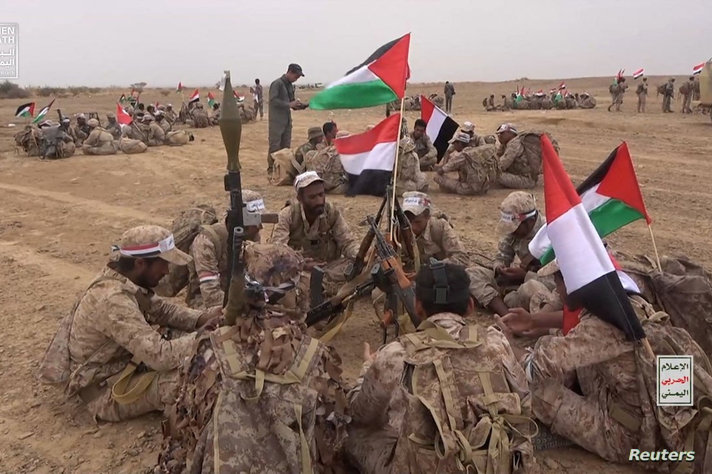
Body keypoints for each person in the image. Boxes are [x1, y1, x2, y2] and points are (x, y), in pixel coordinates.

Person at [500, 260, 711, 471]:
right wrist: (534, 322)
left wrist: (507, 344)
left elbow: (534, 369)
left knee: (538, 390)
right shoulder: (630, 303)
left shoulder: (599, 328)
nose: (557, 290)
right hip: (640, 409)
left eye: (559, 283)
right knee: (560, 349)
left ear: (574, 283)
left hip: (626, 435)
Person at [157, 242, 349, 473]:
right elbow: (332, 436)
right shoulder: (315, 353)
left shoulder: (211, 346)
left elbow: (185, 421)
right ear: (293, 292)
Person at [346, 263, 534, 473]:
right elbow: (524, 399)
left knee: (354, 433)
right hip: (488, 460)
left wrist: (368, 369)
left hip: (425, 464)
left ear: (418, 306)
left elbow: (362, 413)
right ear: (470, 306)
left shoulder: (396, 354)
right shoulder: (496, 342)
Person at [38, 225, 219, 421]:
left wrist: (205, 318)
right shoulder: (112, 300)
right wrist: (211, 335)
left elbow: (162, 310)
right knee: (200, 378)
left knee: (197, 350)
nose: (167, 271)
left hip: (124, 364)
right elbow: (160, 356)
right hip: (107, 390)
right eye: (163, 264)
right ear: (140, 263)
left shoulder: (124, 276)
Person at [270, 171, 358, 296]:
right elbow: (278, 251)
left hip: (328, 268)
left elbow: (347, 241)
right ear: (300, 198)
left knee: (358, 266)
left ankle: (319, 284)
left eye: (321, 195)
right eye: (312, 197)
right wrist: (301, 264)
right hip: (298, 270)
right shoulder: (288, 215)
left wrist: (360, 255)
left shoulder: (332, 212)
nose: (319, 201)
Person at [467, 191, 548, 316]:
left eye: (514, 228)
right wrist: (499, 267)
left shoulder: (550, 235)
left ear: (530, 222)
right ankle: (505, 313)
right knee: (472, 274)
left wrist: (525, 276)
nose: (511, 232)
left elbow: (559, 283)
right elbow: (502, 255)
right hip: (516, 283)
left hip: (539, 286)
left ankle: (507, 308)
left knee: (529, 289)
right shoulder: (514, 232)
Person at [186, 190, 267, 309]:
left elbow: (253, 274)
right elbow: (210, 295)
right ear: (240, 220)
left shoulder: (251, 235)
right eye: (255, 220)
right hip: (205, 301)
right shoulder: (207, 241)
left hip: (236, 294)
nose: (260, 226)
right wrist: (241, 305)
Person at [401, 191, 469, 267]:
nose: (412, 227)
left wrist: (436, 267)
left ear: (427, 217)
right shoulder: (396, 231)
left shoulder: (439, 227)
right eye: (408, 221)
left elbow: (462, 257)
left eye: (418, 222)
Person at [268, 63, 307, 173]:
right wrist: (289, 105)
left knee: (286, 147)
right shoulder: (277, 84)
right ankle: (272, 169)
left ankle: (283, 170)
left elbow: (291, 102)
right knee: (275, 146)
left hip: (286, 121)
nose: (296, 79)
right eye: (296, 76)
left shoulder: (290, 85)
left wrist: (302, 106)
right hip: (276, 121)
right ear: (290, 72)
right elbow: (273, 101)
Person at [433, 133, 499, 195]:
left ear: (459, 143)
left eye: (454, 143)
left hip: (469, 189)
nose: (453, 146)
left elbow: (443, 169)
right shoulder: (475, 152)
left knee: (437, 177)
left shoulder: (462, 155)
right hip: (484, 187)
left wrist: (438, 170)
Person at [495, 123, 557, 189]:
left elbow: (503, 164)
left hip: (526, 180)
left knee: (495, 175)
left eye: (502, 133)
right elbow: (498, 156)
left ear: (511, 133)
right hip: (520, 175)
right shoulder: (505, 144)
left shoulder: (514, 144)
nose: (499, 136)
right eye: (499, 134)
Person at [305, 122, 348, 194]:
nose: (335, 133)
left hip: (319, 183)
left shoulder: (329, 149)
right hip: (331, 185)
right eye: (334, 131)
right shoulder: (320, 147)